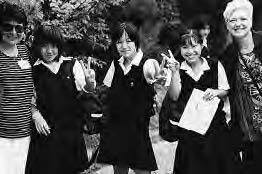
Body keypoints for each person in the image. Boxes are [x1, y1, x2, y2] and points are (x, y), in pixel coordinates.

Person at [25, 24, 96, 174]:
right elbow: (27, 99)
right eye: (44, 46)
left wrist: (90, 84)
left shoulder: (72, 65)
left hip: (71, 134)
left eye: (53, 46)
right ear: (38, 47)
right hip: (46, 135)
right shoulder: (33, 71)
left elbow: (85, 93)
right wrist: (35, 116)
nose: (49, 51)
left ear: (59, 45)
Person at [162, 29, 235, 174]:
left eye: (194, 46)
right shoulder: (177, 68)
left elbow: (225, 90)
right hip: (189, 131)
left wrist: (215, 92)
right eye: (185, 47)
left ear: (202, 46)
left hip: (215, 130)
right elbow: (175, 96)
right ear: (180, 49)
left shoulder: (214, 65)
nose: (190, 51)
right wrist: (175, 72)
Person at [96, 21, 166, 174]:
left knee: (142, 170)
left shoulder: (147, 63)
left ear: (136, 42)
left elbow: (159, 78)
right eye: (119, 42)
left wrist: (161, 77)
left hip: (138, 132)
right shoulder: (116, 64)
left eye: (128, 41)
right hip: (116, 130)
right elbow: (104, 91)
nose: (124, 46)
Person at [222, 0, 262, 173]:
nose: (238, 24)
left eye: (243, 19)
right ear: (227, 25)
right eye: (233, 20)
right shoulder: (226, 57)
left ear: (251, 21)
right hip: (250, 135)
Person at [0, 2, 35, 174]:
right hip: (2, 133)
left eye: (19, 28)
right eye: (8, 26)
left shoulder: (24, 50)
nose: (13, 32)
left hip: (24, 131)